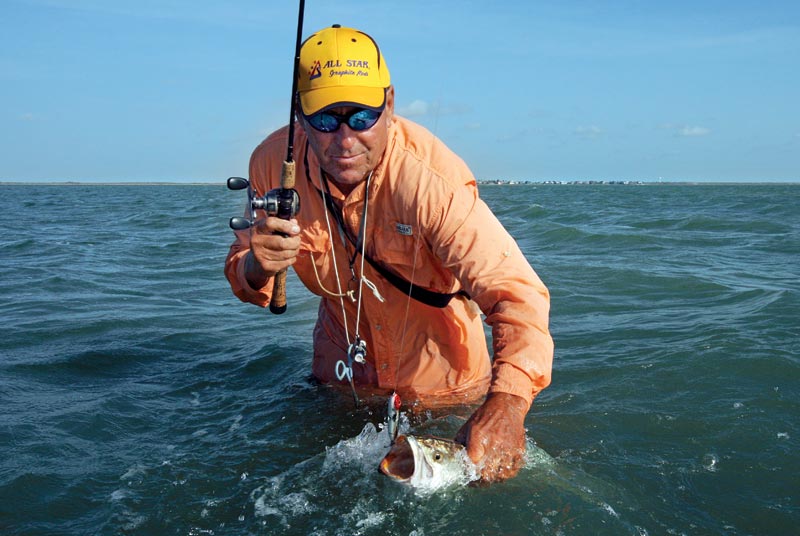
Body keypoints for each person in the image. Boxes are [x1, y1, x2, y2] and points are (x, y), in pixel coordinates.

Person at [225, 24, 553, 483]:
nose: (344, 140)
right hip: (340, 379)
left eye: (361, 117)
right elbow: (244, 275)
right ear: (299, 115)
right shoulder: (270, 164)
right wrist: (259, 264)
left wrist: (507, 404)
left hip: (444, 389)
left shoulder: (433, 183)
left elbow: (518, 296)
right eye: (325, 119)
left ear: (391, 104)